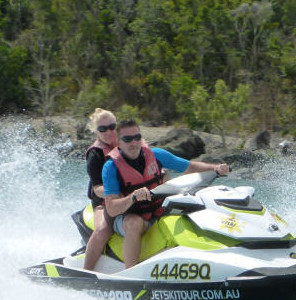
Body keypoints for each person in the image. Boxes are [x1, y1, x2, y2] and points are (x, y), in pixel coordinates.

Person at [103, 119, 229, 268]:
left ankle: (214, 254)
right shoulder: (111, 167)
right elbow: (111, 208)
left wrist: (215, 168)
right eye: (127, 139)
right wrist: (133, 197)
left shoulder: (156, 155)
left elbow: (190, 166)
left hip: (158, 209)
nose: (134, 142)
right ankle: (130, 273)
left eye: (137, 137)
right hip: (128, 216)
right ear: (118, 142)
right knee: (134, 223)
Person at [80, 108, 119, 271]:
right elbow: (97, 189)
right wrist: (118, 194)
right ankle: (86, 271)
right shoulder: (95, 154)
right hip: (103, 202)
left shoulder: (128, 144)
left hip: (131, 199)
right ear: (96, 132)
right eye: (103, 129)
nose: (109, 132)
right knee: (103, 229)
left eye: (112, 126)